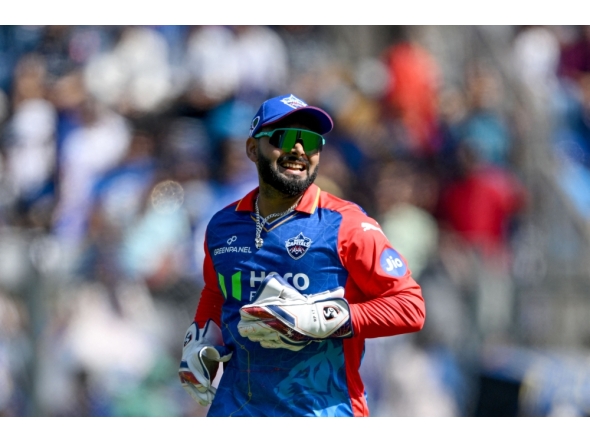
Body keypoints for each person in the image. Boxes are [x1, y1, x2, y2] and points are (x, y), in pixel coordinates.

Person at [178, 93, 426, 417]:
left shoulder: (347, 224)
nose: (298, 150)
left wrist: (323, 319)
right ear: (253, 149)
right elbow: (216, 292)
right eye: (285, 137)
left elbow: (410, 308)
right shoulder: (223, 225)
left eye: (310, 141)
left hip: (321, 413)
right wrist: (198, 341)